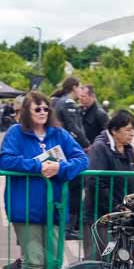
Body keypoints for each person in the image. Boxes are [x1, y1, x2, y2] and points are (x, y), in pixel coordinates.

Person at [0, 91, 88, 269]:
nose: (42, 112)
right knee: (34, 259)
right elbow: (6, 160)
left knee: (53, 262)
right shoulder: (15, 133)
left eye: (45, 108)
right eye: (37, 108)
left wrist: (60, 167)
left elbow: (82, 159)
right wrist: (39, 166)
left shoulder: (59, 134)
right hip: (25, 207)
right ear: (27, 111)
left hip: (55, 208)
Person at [83, 110, 134, 261]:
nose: (132, 133)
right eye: (128, 129)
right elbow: (95, 181)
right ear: (114, 130)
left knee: (117, 261)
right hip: (99, 216)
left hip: (120, 217)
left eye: (133, 130)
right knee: (97, 261)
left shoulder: (129, 150)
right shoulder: (99, 147)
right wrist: (116, 206)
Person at [50, 77, 89, 239]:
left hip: (60, 152)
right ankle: (68, 228)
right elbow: (74, 129)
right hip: (67, 153)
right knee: (74, 189)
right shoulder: (67, 103)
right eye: (80, 87)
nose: (81, 91)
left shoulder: (58, 102)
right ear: (74, 87)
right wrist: (87, 145)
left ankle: (66, 226)